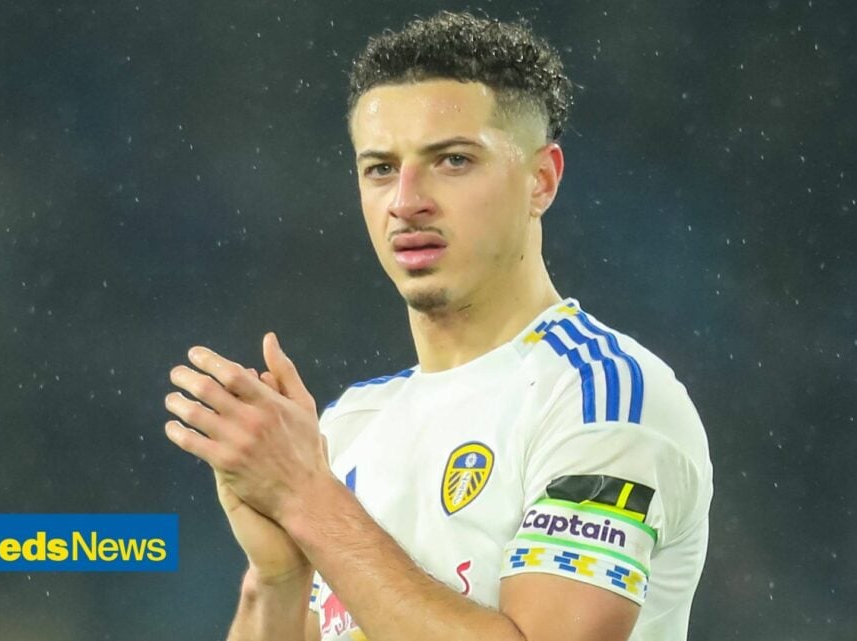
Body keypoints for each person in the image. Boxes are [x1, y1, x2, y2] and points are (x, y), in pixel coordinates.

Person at [163, 11, 713, 641]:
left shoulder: (602, 398)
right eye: (380, 169)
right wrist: (278, 575)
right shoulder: (347, 429)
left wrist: (308, 500)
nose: (406, 200)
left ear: (542, 180)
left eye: (452, 160)